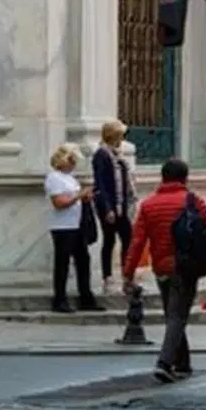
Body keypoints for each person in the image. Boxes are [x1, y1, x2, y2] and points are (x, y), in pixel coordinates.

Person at [123, 158, 206, 383]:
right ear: (185, 178)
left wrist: (128, 274)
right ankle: (165, 363)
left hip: (162, 268)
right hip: (187, 267)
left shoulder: (148, 205)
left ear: (162, 177)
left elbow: (137, 242)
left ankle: (183, 363)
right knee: (177, 315)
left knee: (174, 313)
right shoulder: (193, 201)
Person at [45, 143, 106, 314]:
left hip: (76, 224)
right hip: (62, 226)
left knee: (83, 260)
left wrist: (85, 197)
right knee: (62, 262)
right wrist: (78, 196)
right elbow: (59, 203)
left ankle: (86, 296)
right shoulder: (54, 178)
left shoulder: (70, 178)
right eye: (71, 160)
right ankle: (60, 299)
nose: (73, 164)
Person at [92, 119, 135, 293]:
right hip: (109, 206)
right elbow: (100, 183)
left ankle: (127, 276)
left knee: (128, 239)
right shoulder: (101, 155)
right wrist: (107, 207)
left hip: (122, 205)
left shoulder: (119, 154)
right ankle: (107, 276)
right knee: (109, 240)